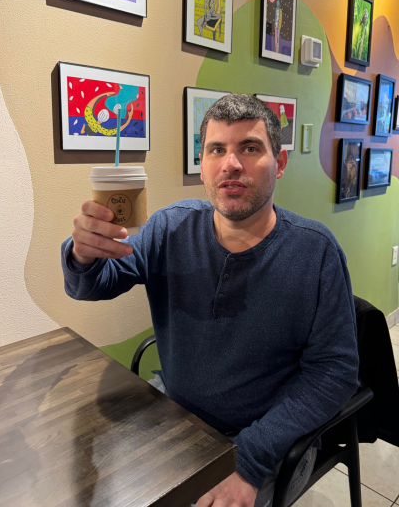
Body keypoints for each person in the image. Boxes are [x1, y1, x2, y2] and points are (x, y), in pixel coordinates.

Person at [61, 94, 359, 507]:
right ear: (202, 165)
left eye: (249, 148)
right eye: (217, 149)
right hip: (173, 414)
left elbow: (335, 372)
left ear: (280, 162)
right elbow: (92, 285)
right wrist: (83, 254)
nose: (230, 164)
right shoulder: (170, 228)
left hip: (265, 441)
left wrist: (250, 461)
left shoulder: (316, 252)